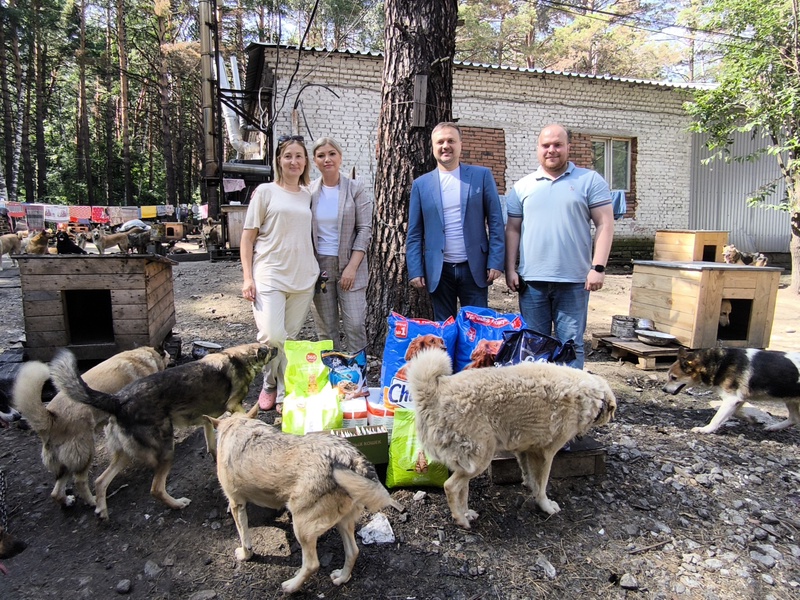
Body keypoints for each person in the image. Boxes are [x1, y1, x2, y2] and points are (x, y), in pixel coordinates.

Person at [504, 124, 615, 369]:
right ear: (538, 149)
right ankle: (538, 402)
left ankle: (572, 404)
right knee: (533, 345)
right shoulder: (523, 186)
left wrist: (598, 267)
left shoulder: (589, 181)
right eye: (546, 145)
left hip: (574, 281)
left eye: (557, 145)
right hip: (531, 282)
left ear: (568, 148)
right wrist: (510, 269)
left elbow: (605, 223)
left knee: (571, 345)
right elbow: (512, 228)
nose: (551, 150)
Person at [241, 135, 319, 411]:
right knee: (273, 336)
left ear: (305, 161)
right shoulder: (265, 192)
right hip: (270, 273)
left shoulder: (310, 194)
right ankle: (269, 383)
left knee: (290, 340)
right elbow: (247, 239)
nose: (294, 161)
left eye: (299, 156)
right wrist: (248, 278)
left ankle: (285, 391)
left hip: (303, 275)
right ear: (279, 160)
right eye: (288, 156)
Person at [406, 122, 505, 321]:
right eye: (440, 142)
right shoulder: (421, 185)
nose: (445, 146)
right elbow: (415, 233)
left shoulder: (481, 176)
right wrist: (415, 269)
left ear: (460, 145)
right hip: (439, 270)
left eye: (451, 140)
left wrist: (496, 261)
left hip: (475, 268)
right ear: (432, 147)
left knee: (477, 328)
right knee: (445, 328)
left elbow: (495, 221)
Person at [309, 137, 373, 352]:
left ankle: (358, 377)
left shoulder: (355, 188)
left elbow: (365, 229)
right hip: (320, 268)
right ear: (315, 161)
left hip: (350, 264)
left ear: (340, 157)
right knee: (326, 330)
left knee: (355, 325)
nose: (327, 159)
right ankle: (332, 375)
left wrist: (351, 268)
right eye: (321, 155)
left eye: (332, 154)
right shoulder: (308, 192)